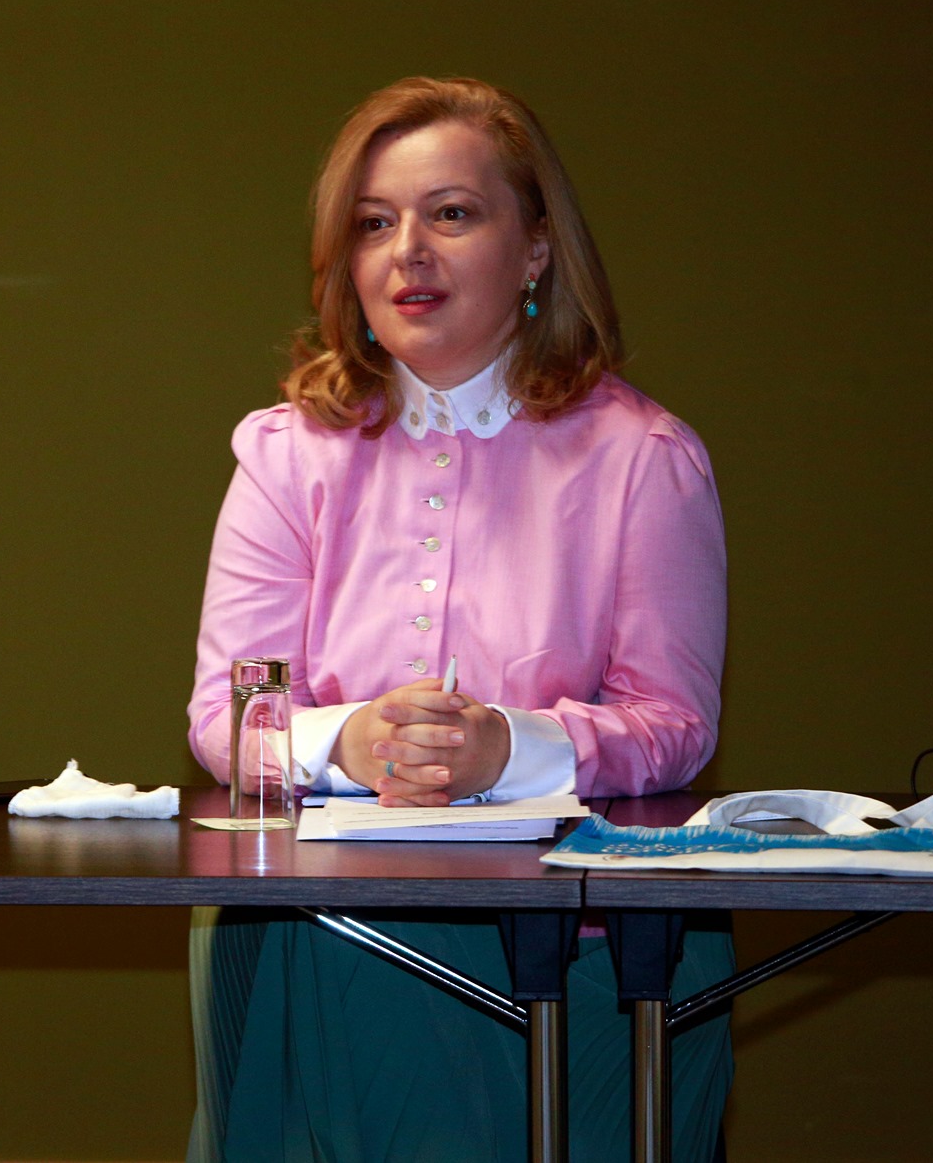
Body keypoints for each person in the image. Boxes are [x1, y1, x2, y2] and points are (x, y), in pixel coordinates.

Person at [185, 77, 732, 1162]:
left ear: (535, 249)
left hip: (583, 948)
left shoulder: (643, 457)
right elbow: (224, 715)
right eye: (372, 223)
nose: (408, 253)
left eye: (451, 213)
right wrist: (351, 739)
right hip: (321, 935)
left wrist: (508, 748)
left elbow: (675, 723)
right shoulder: (284, 454)